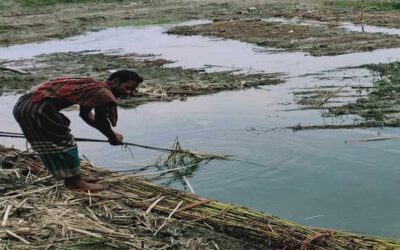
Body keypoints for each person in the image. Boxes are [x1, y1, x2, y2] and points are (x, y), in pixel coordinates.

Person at [13, 70, 143, 191]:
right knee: (65, 142)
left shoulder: (95, 88)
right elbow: (102, 121)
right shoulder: (103, 93)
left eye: (132, 90)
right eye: (128, 87)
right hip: (38, 109)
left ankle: (73, 177)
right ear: (115, 81)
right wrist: (111, 137)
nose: (128, 93)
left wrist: (111, 135)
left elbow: (85, 114)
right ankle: (75, 183)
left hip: (24, 106)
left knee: (54, 141)